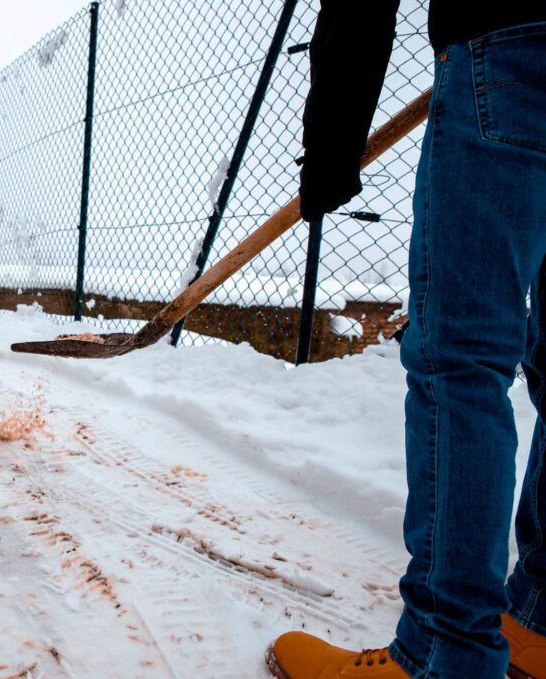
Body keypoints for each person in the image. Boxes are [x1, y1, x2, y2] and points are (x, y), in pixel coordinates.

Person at [266, 1, 546, 677]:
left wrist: (333, 139)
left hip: (509, 49)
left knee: (462, 364)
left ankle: (444, 653)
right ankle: (537, 620)